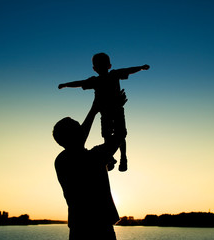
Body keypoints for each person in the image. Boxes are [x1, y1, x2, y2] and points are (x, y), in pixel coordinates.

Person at [53, 90, 128, 240]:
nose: (82, 129)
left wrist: (94, 110)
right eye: (78, 127)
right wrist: (118, 110)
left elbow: (78, 139)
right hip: (101, 229)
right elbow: (120, 134)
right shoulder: (94, 156)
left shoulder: (61, 160)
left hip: (78, 228)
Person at [58, 53, 150, 172]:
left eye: (102, 65)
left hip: (116, 111)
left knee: (120, 134)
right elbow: (80, 82)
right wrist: (66, 85)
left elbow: (129, 70)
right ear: (95, 68)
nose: (100, 67)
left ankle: (123, 157)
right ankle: (111, 157)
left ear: (108, 66)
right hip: (106, 112)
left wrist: (141, 68)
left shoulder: (114, 75)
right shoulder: (95, 81)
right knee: (108, 135)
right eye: (98, 65)